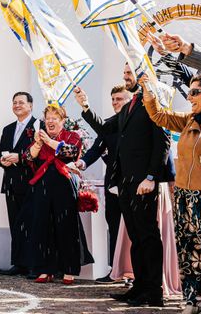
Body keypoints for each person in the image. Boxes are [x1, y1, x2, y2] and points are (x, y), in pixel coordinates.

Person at [75, 63, 170, 307]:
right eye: (125, 72)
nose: (125, 76)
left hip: (143, 183)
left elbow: (163, 142)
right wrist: (85, 106)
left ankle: (154, 290)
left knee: (148, 236)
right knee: (136, 237)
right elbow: (106, 129)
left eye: (129, 72)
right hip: (126, 183)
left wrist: (151, 177)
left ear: (144, 73)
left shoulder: (154, 101)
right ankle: (139, 286)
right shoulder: (129, 106)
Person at [139, 72, 201, 314]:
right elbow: (160, 116)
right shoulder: (189, 119)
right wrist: (149, 94)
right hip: (184, 196)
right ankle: (193, 300)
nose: (190, 97)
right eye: (189, 92)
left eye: (196, 92)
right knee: (189, 251)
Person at [14, 105, 90, 284]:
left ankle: (69, 270)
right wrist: (39, 143)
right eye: (48, 117)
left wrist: (48, 141)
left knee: (66, 226)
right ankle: (44, 269)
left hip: (64, 184)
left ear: (63, 121)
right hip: (42, 185)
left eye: (55, 118)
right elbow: (27, 158)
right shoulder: (39, 138)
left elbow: (70, 152)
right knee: (41, 226)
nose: (50, 121)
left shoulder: (72, 136)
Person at [75, 85, 131, 283]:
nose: (115, 102)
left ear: (130, 100)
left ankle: (134, 272)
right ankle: (116, 270)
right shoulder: (110, 125)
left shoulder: (133, 123)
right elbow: (96, 149)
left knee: (133, 229)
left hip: (132, 184)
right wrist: (81, 163)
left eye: (119, 99)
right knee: (114, 225)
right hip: (112, 183)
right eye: (113, 99)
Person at [0, 92, 36, 275]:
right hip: (11, 183)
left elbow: (39, 156)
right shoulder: (8, 129)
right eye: (14, 102)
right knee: (15, 224)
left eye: (21, 102)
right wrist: (2, 160)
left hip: (30, 183)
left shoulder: (37, 127)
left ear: (30, 106)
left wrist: (19, 158)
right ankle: (18, 262)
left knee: (31, 224)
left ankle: (32, 264)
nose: (17, 105)